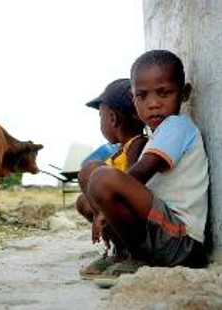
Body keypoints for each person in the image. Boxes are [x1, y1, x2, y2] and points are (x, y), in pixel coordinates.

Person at [85, 49, 209, 279]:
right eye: (142, 96)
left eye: (164, 93)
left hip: (182, 242)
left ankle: (137, 258)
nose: (153, 104)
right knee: (90, 179)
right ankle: (122, 253)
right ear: (134, 100)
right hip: (163, 234)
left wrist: (103, 209)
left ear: (184, 93)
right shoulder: (156, 135)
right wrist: (99, 206)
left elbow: (141, 173)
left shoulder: (177, 126)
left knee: (102, 179)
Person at [76, 78, 148, 279]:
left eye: (100, 116)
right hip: (119, 210)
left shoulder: (138, 144)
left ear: (113, 118)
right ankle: (117, 250)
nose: (100, 122)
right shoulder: (118, 152)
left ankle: (133, 253)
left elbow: (134, 182)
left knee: (91, 170)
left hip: (134, 214)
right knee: (83, 202)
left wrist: (103, 211)